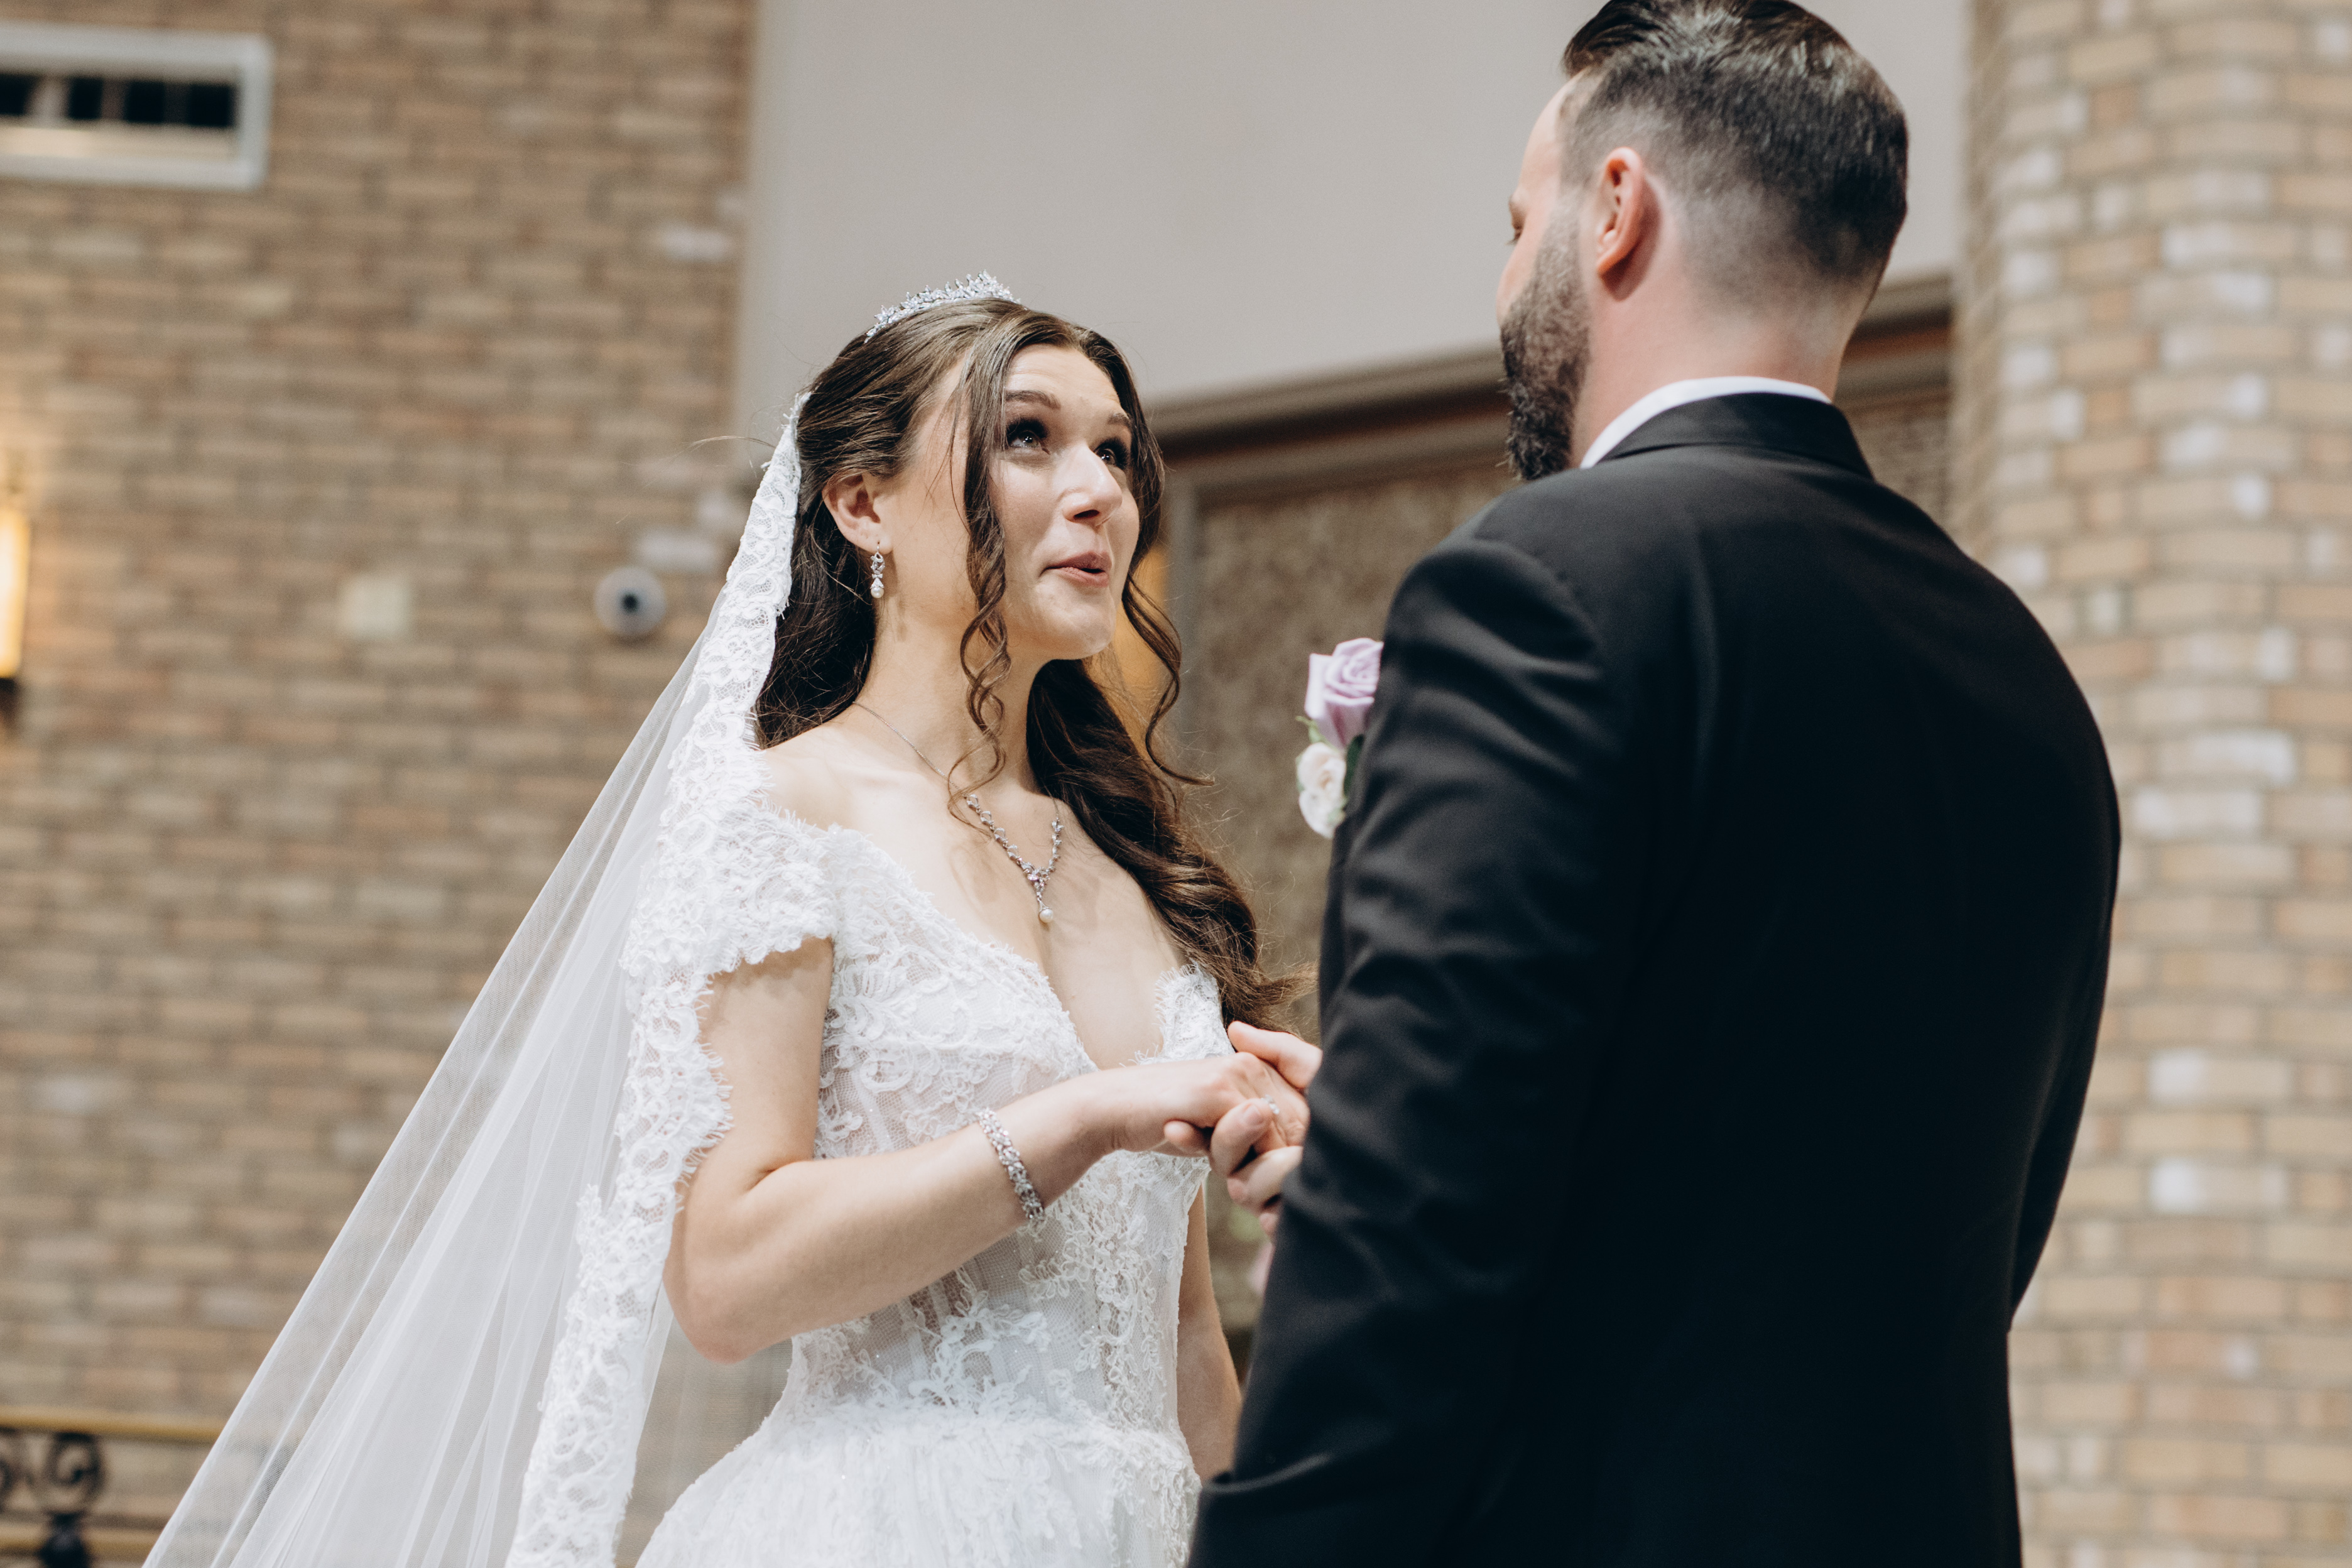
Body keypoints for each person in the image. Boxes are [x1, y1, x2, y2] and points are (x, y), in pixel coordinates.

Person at [149, 281, 1313, 1568]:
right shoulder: (783, 818)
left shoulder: (1139, 867)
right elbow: (723, 1279)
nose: (1099, 491)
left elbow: (1181, 1336)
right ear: (862, 503)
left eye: (1117, 450)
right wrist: (1081, 1117)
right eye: (1027, 437)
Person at [1190, 4, 2121, 1565]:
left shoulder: (1545, 588)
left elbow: (1408, 1258)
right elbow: (1921, 1224)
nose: (1508, 280)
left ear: (1615, 210)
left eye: (1520, 226)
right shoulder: (2019, 674)